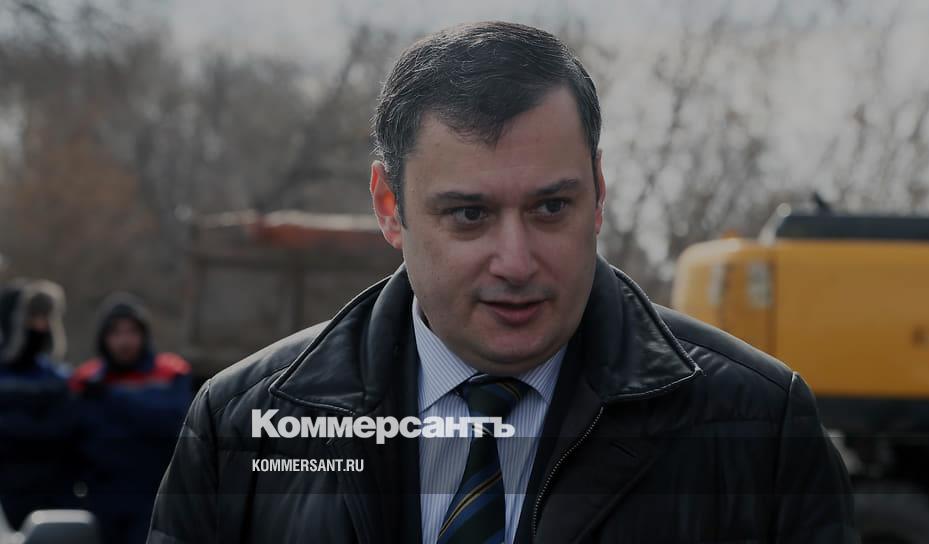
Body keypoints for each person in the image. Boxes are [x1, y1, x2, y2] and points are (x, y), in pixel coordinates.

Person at [150, 21, 856, 543]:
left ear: (599, 192)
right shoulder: (243, 429)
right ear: (389, 207)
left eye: (550, 208)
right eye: (469, 215)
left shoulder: (759, 429)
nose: (516, 262)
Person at [70, 292, 192, 544]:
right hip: (101, 496)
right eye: (115, 332)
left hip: (153, 495)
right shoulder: (87, 379)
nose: (124, 341)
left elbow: (172, 420)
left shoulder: (169, 372)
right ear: (104, 338)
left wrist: (113, 396)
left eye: (131, 332)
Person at [0, 279, 79, 528]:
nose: (41, 326)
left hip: (52, 495)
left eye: (45, 317)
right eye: (33, 317)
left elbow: (67, 429)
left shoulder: (58, 378)